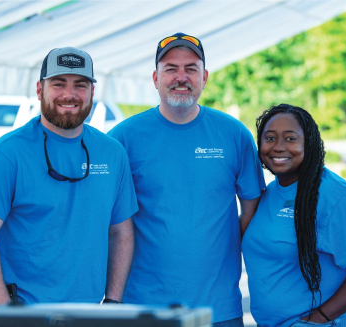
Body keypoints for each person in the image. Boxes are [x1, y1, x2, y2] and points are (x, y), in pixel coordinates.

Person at [108, 33, 266, 326]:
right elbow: (109, 222)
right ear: (155, 78)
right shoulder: (123, 139)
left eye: (191, 68)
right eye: (171, 68)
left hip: (218, 309)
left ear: (204, 77)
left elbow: (252, 211)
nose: (181, 77)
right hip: (142, 308)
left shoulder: (234, 135)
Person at [0, 47, 138, 305]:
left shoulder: (112, 153)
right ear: (39, 89)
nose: (70, 94)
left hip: (88, 315)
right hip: (23, 314)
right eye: (58, 84)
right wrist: (5, 314)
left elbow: (121, 233)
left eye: (80, 85)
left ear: (92, 92)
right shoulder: (7, 155)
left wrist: (112, 303)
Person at [242, 104, 346, 327]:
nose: (278, 147)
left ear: (308, 143)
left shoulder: (337, 195)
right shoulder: (270, 193)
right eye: (269, 138)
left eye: (290, 139)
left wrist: (319, 318)